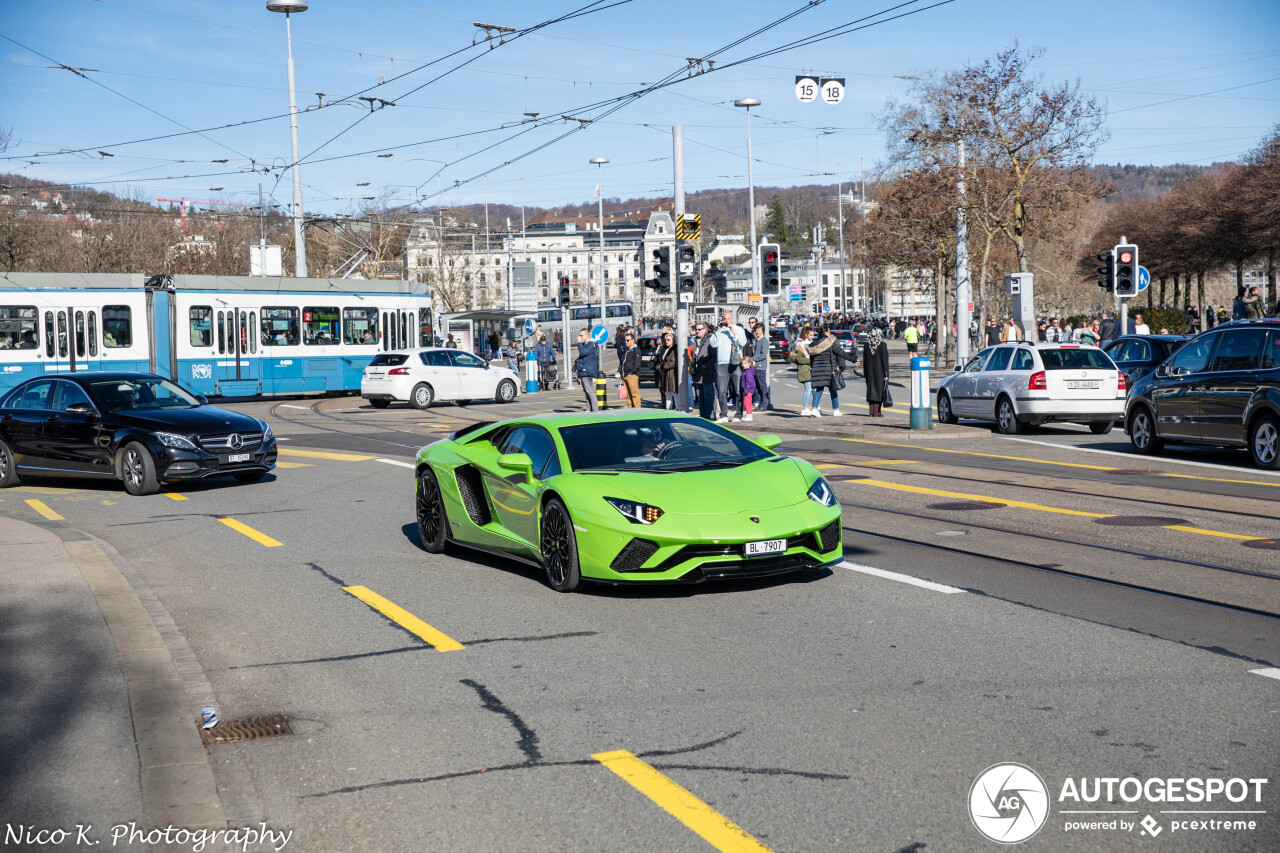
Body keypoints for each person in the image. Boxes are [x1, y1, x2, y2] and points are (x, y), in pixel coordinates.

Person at [808, 325, 856, 417]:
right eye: (829, 332)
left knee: (819, 389)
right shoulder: (830, 342)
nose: (830, 334)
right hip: (829, 369)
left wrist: (813, 367)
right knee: (833, 389)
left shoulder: (814, 343)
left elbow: (811, 358)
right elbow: (841, 353)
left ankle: (814, 409)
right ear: (825, 332)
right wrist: (853, 359)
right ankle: (836, 410)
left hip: (817, 369)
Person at [708, 313, 746, 423]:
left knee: (738, 390)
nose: (726, 320)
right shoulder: (719, 331)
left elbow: (742, 342)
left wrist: (733, 332)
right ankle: (724, 415)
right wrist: (718, 330)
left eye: (728, 318)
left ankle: (738, 414)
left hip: (736, 363)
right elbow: (713, 344)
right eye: (725, 319)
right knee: (722, 390)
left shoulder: (738, 329)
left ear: (732, 318)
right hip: (722, 363)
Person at [691, 322, 716, 420]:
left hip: (707, 374)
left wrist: (706, 365)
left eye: (699, 329)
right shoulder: (696, 341)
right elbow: (695, 356)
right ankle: (703, 417)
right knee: (699, 396)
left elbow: (714, 357)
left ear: (705, 330)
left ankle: (710, 417)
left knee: (708, 396)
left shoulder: (709, 340)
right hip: (698, 373)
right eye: (696, 329)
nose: (697, 331)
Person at [863, 326, 890, 418]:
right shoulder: (882, 345)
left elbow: (865, 359)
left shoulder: (867, 345)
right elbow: (885, 360)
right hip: (880, 372)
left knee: (871, 390)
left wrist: (865, 372)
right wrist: (886, 373)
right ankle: (877, 411)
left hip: (869, 371)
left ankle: (871, 411)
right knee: (879, 391)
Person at [575, 328, 600, 412]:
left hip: (587, 370)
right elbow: (585, 356)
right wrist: (578, 359)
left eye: (581, 335)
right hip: (584, 369)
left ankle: (595, 409)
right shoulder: (586, 344)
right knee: (586, 391)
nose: (580, 337)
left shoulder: (590, 344)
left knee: (589, 390)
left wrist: (579, 343)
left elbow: (583, 352)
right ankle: (589, 408)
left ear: (586, 335)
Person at [794, 326, 816, 416]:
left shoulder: (813, 344)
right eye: (811, 335)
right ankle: (805, 408)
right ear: (806, 335)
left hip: (811, 370)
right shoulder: (800, 346)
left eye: (813, 335)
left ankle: (816, 406)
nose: (812, 337)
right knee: (808, 389)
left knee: (814, 389)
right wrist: (810, 361)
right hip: (804, 370)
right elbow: (800, 360)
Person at [653, 331, 678, 410]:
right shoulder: (665, 349)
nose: (666, 341)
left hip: (672, 373)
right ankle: (668, 408)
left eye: (668, 340)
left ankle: (677, 408)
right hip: (665, 373)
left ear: (673, 340)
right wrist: (659, 365)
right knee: (667, 392)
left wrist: (662, 366)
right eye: (666, 340)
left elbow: (673, 362)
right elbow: (661, 360)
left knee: (674, 392)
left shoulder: (675, 349)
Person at [750, 324, 771, 412]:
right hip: (755, 366)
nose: (757, 332)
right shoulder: (757, 340)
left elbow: (763, 355)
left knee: (762, 386)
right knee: (757, 387)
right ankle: (760, 404)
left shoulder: (764, 341)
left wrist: (752, 359)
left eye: (759, 330)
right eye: (756, 330)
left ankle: (764, 405)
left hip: (761, 367)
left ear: (762, 330)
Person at [618, 331, 642, 408]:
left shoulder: (636, 350)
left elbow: (637, 364)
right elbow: (622, 362)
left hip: (632, 375)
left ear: (633, 341)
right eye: (625, 340)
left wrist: (631, 373)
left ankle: (637, 410)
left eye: (628, 340)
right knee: (628, 395)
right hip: (625, 375)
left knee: (634, 394)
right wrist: (620, 372)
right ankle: (630, 409)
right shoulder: (626, 350)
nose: (626, 342)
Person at [739, 356, 756, 422]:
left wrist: (746, 389)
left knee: (747, 402)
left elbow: (749, 381)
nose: (743, 365)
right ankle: (748, 415)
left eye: (745, 363)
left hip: (748, 389)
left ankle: (749, 415)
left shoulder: (748, 372)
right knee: (747, 402)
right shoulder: (747, 371)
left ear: (749, 363)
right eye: (742, 363)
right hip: (748, 389)